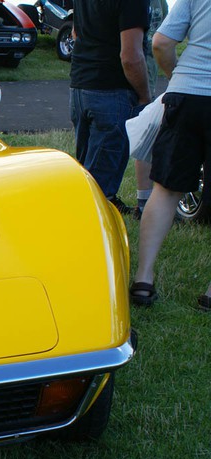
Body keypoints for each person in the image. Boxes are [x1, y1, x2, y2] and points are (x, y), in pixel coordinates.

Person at [130, 0, 211, 310]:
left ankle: (143, 282)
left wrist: (177, 76)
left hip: (186, 95)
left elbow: (161, 42)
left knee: (165, 190)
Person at [69, 0, 151, 214]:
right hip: (111, 89)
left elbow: (76, 34)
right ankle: (92, 225)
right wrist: (144, 95)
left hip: (80, 85)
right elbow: (130, 57)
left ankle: (95, 206)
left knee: (86, 171)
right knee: (99, 186)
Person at [132, 0, 169, 218]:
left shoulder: (160, 4)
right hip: (125, 74)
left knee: (146, 136)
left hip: (149, 77)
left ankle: (144, 201)